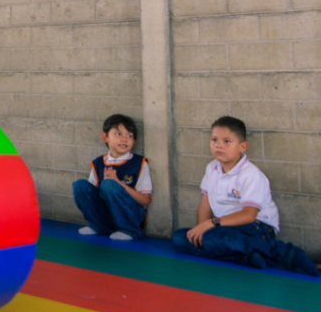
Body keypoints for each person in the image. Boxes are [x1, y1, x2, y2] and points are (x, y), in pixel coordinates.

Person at [171, 116, 318, 275]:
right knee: (180, 238)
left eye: (227, 141)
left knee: (220, 239)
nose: (219, 145)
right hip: (224, 228)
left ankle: (284, 253)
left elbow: (249, 215)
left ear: (242, 146)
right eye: (214, 140)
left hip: (256, 228)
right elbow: (205, 203)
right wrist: (200, 232)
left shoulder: (250, 174)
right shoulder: (211, 168)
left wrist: (211, 224)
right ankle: (247, 258)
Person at [72, 114, 152, 240]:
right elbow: (92, 198)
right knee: (79, 185)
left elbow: (144, 200)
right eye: (118, 134)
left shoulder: (139, 163)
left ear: (134, 141)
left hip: (131, 215)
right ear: (105, 137)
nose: (124, 139)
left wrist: (117, 182)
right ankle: (97, 225)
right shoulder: (98, 162)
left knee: (108, 184)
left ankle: (130, 230)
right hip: (108, 214)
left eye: (129, 136)